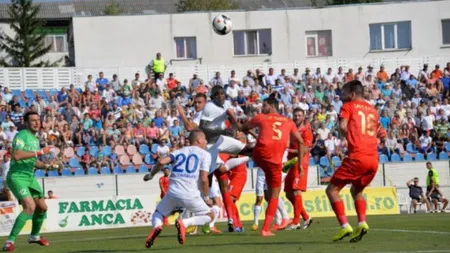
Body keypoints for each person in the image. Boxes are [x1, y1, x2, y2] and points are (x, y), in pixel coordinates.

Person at [229, 94, 304, 236]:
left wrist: (230, 114)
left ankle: (244, 151)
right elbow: (301, 142)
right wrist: (300, 164)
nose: (262, 108)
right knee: (274, 196)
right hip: (275, 162)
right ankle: (265, 229)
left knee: (268, 193)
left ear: (270, 106)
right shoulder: (288, 122)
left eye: (264, 106)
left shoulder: (261, 118)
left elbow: (239, 126)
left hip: (260, 156)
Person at [325, 80, 379, 243]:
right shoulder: (373, 110)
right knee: (356, 191)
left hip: (357, 156)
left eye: (344, 92)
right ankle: (362, 223)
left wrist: (348, 138)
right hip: (373, 159)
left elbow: (342, 126)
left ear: (353, 94)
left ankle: (345, 227)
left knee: (332, 191)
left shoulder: (348, 106)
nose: (342, 96)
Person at [143, 129, 215, 249]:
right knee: (210, 215)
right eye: (205, 139)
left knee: (158, 213)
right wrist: (206, 197)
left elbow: (161, 161)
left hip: (172, 192)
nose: (206, 142)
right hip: (190, 193)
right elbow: (203, 179)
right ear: (199, 140)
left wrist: (151, 175)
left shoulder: (179, 151)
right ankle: (185, 223)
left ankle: (157, 226)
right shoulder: (205, 154)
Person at [3, 111, 55, 252]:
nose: (37, 122)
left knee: (42, 207)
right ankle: (9, 241)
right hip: (17, 176)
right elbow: (17, 155)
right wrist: (40, 152)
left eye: (38, 120)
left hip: (29, 177)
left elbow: (33, 161)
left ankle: (34, 236)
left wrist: (47, 166)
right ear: (26, 122)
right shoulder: (21, 135)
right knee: (29, 206)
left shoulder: (35, 139)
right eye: (33, 120)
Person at [285, 108, 313, 230]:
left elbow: (305, 149)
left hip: (300, 163)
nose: (297, 117)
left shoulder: (306, 131)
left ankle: (296, 222)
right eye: (295, 115)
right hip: (290, 163)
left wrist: (289, 150)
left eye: (299, 115)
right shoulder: (291, 129)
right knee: (288, 193)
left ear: (303, 116)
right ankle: (306, 217)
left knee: (296, 191)